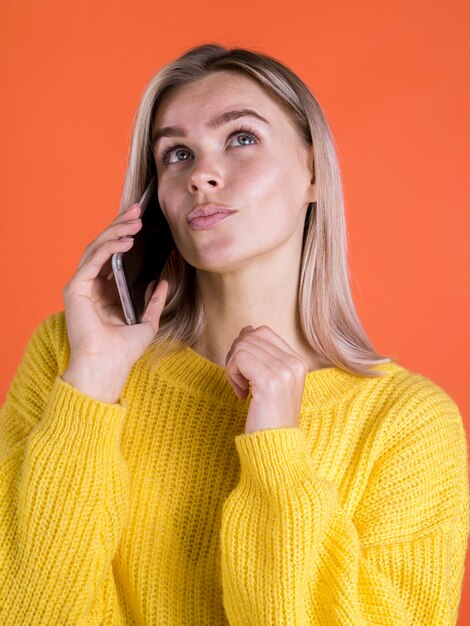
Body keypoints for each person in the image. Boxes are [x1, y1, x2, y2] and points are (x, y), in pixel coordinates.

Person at [0, 43, 468, 625]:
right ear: (156, 200)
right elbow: (27, 609)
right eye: (175, 154)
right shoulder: (70, 356)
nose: (202, 174)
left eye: (241, 138)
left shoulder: (406, 422)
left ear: (314, 173)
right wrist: (91, 385)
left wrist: (276, 452)